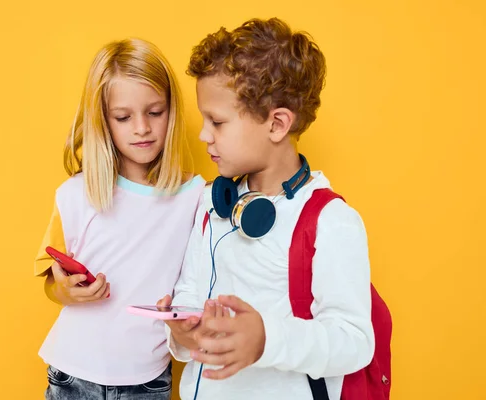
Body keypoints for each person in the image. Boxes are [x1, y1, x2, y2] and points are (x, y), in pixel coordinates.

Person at [160, 17, 375, 400]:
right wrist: (181, 328)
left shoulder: (331, 222)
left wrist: (266, 338)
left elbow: (354, 341)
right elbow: (191, 289)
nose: (202, 135)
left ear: (276, 124)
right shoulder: (214, 202)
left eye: (217, 122)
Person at [34, 37, 205, 400]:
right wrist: (63, 292)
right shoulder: (75, 194)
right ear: (104, 121)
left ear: (171, 112)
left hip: (147, 379)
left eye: (155, 112)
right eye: (124, 117)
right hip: (72, 374)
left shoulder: (194, 196)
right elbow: (51, 280)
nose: (141, 127)